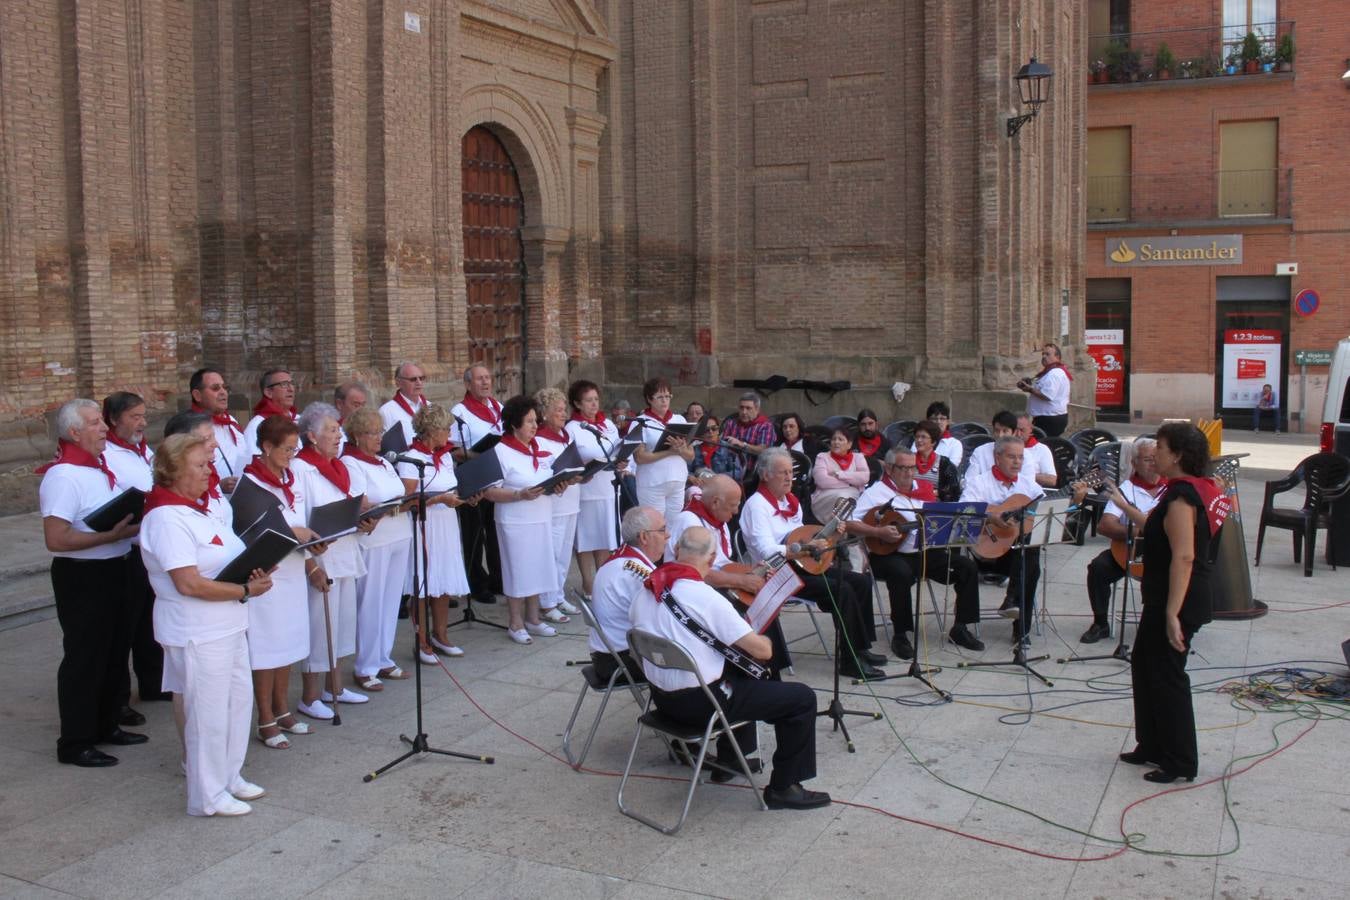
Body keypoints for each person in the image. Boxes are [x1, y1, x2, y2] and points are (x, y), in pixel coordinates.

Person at [630, 526, 831, 810]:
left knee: (738, 672)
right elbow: (763, 651)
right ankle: (784, 787)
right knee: (801, 698)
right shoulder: (706, 597)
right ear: (712, 560)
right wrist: (755, 629)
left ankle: (731, 758)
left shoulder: (648, 589)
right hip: (702, 707)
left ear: (676, 552)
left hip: (662, 702)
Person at [140, 433, 273, 816]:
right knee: (208, 714)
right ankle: (206, 795)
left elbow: (222, 558)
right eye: (200, 465)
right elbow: (188, 582)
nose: (208, 471)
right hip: (197, 628)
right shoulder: (166, 517)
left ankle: (229, 776)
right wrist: (245, 588)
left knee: (235, 703)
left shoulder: (198, 508)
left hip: (228, 622)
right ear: (174, 471)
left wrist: (256, 568)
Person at [1117, 422, 1227, 784]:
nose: (1155, 455)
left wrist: (1171, 614)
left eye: (1161, 448)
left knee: (1167, 675)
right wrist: (1121, 505)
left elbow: (1184, 556)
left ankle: (1180, 760)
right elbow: (1153, 526)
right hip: (1165, 594)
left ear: (1177, 455)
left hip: (1177, 598)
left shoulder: (1182, 497)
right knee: (1145, 665)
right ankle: (1151, 743)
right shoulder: (1194, 488)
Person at [39, 400, 144, 767]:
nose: (104, 429)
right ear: (74, 433)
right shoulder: (64, 475)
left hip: (116, 567)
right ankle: (75, 741)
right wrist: (108, 536)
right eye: (95, 423)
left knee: (116, 652)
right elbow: (56, 538)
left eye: (102, 422)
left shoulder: (98, 468)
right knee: (86, 658)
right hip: (83, 576)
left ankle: (107, 724)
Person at [741, 449, 885, 680]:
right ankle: (849, 662)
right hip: (776, 573)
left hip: (801, 565)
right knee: (843, 589)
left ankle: (860, 649)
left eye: (791, 472)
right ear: (765, 475)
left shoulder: (792, 502)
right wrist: (803, 548)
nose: (789, 478)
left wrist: (832, 537)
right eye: (783, 473)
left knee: (860, 582)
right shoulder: (756, 505)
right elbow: (766, 551)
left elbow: (803, 537)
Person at [848, 448, 985, 657]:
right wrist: (877, 531)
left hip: (924, 551)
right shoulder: (876, 492)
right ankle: (901, 635)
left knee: (966, 567)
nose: (910, 472)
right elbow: (850, 523)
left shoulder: (925, 489)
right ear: (890, 469)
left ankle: (960, 627)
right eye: (904, 468)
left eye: (913, 467)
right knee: (900, 573)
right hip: (887, 554)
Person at [241, 416, 323, 748]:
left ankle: (282, 708)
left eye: (295, 448)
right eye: (287, 449)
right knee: (267, 647)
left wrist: (312, 551)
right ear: (266, 447)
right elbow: (250, 534)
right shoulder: (250, 485)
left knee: (288, 642)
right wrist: (295, 534)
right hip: (266, 575)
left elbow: (299, 522)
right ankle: (264, 717)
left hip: (292, 569)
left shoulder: (289, 479)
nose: (292, 455)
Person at [292, 403, 369, 716]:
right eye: (332, 431)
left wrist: (364, 519)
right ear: (311, 436)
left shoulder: (339, 466)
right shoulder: (302, 469)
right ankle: (309, 697)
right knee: (320, 625)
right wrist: (310, 562)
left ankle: (334, 687)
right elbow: (302, 516)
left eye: (339, 430)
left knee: (342, 623)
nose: (339, 436)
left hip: (345, 551)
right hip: (321, 557)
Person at [101, 392, 168, 723]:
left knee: (150, 623)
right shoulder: (108, 455)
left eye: (144, 416)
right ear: (114, 420)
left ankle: (154, 681)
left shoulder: (144, 451)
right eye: (134, 417)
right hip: (128, 549)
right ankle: (119, 699)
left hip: (150, 547)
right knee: (125, 628)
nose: (142, 422)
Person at [342, 407, 414, 689]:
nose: (378, 438)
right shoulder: (351, 462)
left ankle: (383, 657)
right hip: (375, 538)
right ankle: (365, 665)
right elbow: (363, 502)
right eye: (372, 433)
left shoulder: (383, 462)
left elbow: (398, 493)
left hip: (399, 532)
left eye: (380, 432)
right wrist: (390, 504)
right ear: (358, 436)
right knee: (371, 600)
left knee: (390, 599)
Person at [396, 404, 473, 662]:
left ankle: (441, 635)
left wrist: (466, 498)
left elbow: (452, 488)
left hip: (447, 522)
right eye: (445, 428)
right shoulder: (411, 459)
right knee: (423, 583)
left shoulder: (446, 456)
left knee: (443, 580)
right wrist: (439, 498)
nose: (449, 433)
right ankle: (421, 641)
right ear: (431, 430)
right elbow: (407, 501)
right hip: (424, 525)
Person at [484, 395, 563, 644]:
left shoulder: (536, 448)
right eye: (529, 422)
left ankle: (533, 618)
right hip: (515, 520)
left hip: (540, 516)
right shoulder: (501, 451)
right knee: (517, 570)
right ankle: (515, 621)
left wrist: (557, 485)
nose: (534, 426)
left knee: (538, 567)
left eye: (535, 421)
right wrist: (519, 494)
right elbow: (489, 491)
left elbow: (545, 477)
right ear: (515, 424)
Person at [960, 435, 1045, 644]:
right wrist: (990, 517)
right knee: (1029, 559)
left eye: (1020, 458)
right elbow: (963, 512)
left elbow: (1045, 511)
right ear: (997, 457)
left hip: (1016, 553)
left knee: (1029, 553)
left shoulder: (1029, 486)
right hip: (987, 551)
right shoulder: (979, 483)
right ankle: (1019, 620)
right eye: (1011, 457)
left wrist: (1073, 499)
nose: (1017, 462)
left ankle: (1017, 617)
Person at [1081, 438, 1167, 643]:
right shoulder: (1125, 489)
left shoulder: (1172, 488)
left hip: (1163, 554)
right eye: (1147, 459)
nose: (1153, 464)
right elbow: (1105, 525)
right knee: (1098, 568)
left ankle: (1159, 625)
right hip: (1129, 550)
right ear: (1135, 463)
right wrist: (1139, 529)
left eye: (1156, 459)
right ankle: (1100, 623)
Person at [587, 506, 664, 683]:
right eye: (662, 530)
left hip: (608, 656)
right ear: (644, 537)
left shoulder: (623, 559)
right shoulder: (637, 572)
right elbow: (663, 619)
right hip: (622, 662)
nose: (668, 536)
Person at [451, 364, 505, 604]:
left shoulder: (498, 407)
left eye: (488, 378)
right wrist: (477, 455)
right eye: (480, 379)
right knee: (474, 534)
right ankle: (476, 583)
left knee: (495, 531)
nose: (485, 383)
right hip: (472, 477)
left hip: (497, 478)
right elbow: (452, 448)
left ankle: (497, 578)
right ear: (468, 384)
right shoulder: (459, 411)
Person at [567, 380, 623, 598]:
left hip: (608, 486)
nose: (594, 404)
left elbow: (617, 447)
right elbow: (570, 457)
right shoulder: (572, 428)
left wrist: (621, 460)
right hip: (587, 488)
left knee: (604, 536)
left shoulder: (607, 424)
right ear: (577, 403)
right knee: (587, 537)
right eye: (588, 401)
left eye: (596, 400)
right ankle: (588, 583)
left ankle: (602, 579)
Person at [535, 387, 584, 623]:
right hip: (553, 503)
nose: (563, 414)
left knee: (564, 554)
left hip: (571, 501)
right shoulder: (539, 438)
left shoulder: (566, 436)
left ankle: (558, 594)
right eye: (557, 410)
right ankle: (546, 602)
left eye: (564, 409)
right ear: (544, 413)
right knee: (551, 553)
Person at [632, 377, 693, 525]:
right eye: (660, 397)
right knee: (654, 526)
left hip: (677, 481)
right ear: (649, 399)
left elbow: (691, 455)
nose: (664, 401)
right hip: (653, 483)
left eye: (667, 396)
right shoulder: (640, 421)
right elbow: (639, 457)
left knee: (674, 526)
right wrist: (670, 452)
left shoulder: (679, 420)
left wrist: (680, 449)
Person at [189, 367, 246, 491]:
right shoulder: (190, 427)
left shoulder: (231, 421)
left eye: (225, 387)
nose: (223, 392)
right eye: (215, 388)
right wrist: (218, 486)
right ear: (197, 395)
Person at [810, 426, 870, 525]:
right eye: (834, 439)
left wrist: (840, 475)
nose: (836, 442)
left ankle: (838, 530)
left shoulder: (858, 458)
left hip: (851, 498)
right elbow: (821, 481)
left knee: (845, 499)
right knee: (842, 497)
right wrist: (851, 483)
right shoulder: (822, 457)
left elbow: (864, 478)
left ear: (849, 444)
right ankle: (839, 530)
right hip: (824, 498)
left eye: (841, 439)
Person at [1017, 343, 1072, 437]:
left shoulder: (1054, 373)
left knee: (1044, 445)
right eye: (1043, 354)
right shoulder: (1050, 372)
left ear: (1057, 356)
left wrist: (1030, 390)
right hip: (1047, 417)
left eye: (1048, 354)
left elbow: (1047, 395)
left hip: (1050, 419)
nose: (1044, 356)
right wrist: (1029, 384)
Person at [242, 368, 299, 454]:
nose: (291, 389)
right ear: (268, 392)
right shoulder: (257, 425)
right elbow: (255, 460)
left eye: (292, 383)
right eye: (284, 384)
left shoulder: (299, 419)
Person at [720, 392, 776, 481]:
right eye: (741, 408)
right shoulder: (731, 423)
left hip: (751, 471)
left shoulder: (765, 425)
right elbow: (721, 445)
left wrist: (743, 445)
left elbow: (764, 450)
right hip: (727, 465)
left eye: (748, 408)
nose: (744, 412)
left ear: (757, 409)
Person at [378, 361, 427, 447]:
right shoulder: (386, 411)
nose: (419, 383)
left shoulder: (430, 407)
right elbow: (382, 445)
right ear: (398, 382)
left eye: (421, 378)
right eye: (413, 379)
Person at [912, 420, 961, 502]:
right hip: (910, 504)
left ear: (933, 442)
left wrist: (934, 493)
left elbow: (953, 491)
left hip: (934, 507)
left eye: (923, 437)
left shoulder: (944, 463)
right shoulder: (907, 460)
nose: (919, 440)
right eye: (917, 436)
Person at [965, 410, 1018, 480]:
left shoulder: (1024, 456)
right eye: (997, 430)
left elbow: (1027, 485)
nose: (1000, 435)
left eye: (1005, 431)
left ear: (1014, 433)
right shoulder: (980, 452)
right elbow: (969, 481)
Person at [1015, 414, 1059, 489]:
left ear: (1030, 429)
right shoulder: (1001, 447)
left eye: (1022, 430)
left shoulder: (1042, 449)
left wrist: (1023, 475)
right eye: (1015, 429)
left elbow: (1051, 480)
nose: (1018, 434)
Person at [918, 401, 963, 467]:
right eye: (934, 418)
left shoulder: (955, 444)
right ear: (928, 421)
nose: (938, 422)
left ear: (948, 422)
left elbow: (951, 468)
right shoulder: (919, 440)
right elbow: (912, 461)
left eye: (942, 418)